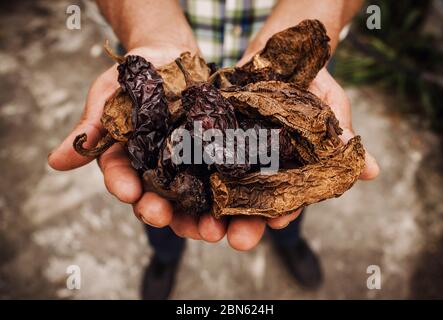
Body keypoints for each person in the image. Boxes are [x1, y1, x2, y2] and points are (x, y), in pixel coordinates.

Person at [48, 0, 379, 299]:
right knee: (155, 203)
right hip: (170, 59)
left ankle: (290, 243)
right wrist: (148, 27)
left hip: (279, 69)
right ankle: (164, 258)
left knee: (285, 197)